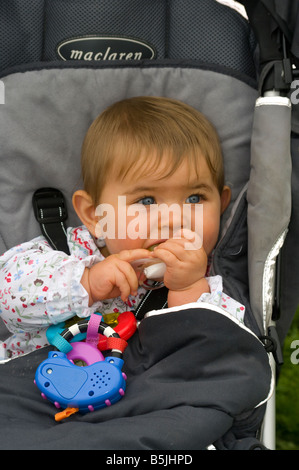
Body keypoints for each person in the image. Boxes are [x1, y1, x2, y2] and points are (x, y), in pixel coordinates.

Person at [0, 96, 245, 361]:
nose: (175, 219)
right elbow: (8, 299)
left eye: (195, 198)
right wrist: (87, 283)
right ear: (95, 215)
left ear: (221, 205)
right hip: (31, 384)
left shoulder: (210, 280)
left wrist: (188, 290)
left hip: (147, 397)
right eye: (147, 201)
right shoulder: (66, 253)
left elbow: (221, 353)